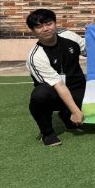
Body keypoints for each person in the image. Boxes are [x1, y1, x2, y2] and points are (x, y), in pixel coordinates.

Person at [25, 9, 86, 147]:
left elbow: (93, 50)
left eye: (49, 24)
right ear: (33, 31)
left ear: (55, 23)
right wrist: (76, 111)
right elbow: (59, 85)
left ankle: (66, 115)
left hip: (77, 87)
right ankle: (47, 133)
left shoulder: (70, 36)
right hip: (55, 93)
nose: (45, 29)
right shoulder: (36, 56)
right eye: (39, 26)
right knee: (40, 96)